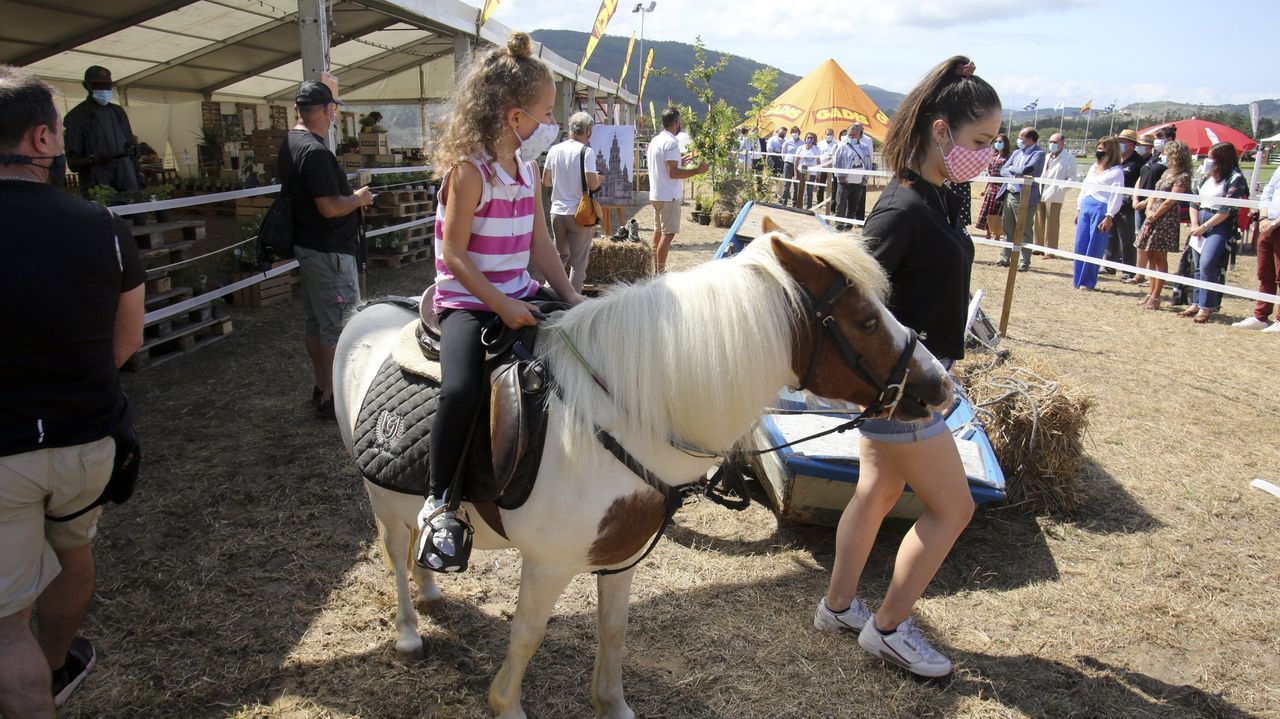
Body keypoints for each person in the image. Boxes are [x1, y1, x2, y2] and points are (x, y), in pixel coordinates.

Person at [813, 55, 1000, 678]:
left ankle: (839, 606)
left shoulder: (941, 198)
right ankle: (888, 628)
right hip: (902, 388)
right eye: (981, 142)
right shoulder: (901, 210)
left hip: (913, 378)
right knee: (954, 509)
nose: (988, 156)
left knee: (878, 490)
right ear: (941, 130)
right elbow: (854, 301)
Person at [0, 64, 145, 715]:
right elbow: (126, 342)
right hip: (89, 440)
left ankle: (31, 681)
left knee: (6, 624)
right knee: (73, 553)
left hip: (5, 452)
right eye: (59, 130)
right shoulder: (104, 226)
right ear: (39, 140)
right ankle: (55, 665)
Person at [415, 32, 588, 573]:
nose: (550, 123)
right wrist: (503, 306)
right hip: (468, 300)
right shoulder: (469, 171)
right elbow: (455, 255)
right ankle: (438, 500)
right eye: (545, 112)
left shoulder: (526, 170)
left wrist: (571, 296)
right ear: (515, 117)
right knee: (462, 389)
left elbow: (540, 244)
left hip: (517, 292)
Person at [280, 80, 374, 419]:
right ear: (326, 110)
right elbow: (330, 207)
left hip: (309, 246)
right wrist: (358, 199)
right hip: (328, 250)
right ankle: (337, 395)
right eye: (332, 108)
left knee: (316, 323)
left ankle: (322, 386)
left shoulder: (291, 142)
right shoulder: (315, 152)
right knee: (340, 326)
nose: (333, 114)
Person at [1180, 142, 1249, 324]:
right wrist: (1195, 224)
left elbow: (1227, 208)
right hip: (1199, 221)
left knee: (1208, 264)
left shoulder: (1235, 178)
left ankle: (1206, 306)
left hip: (1219, 224)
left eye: (1211, 157)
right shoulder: (1206, 177)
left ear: (1222, 159)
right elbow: (1194, 201)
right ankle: (1195, 302)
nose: (1208, 161)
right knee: (1197, 265)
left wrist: (1204, 227)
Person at [542, 111, 601, 292]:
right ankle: (572, 305)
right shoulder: (586, 151)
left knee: (560, 256)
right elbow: (592, 183)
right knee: (578, 262)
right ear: (588, 130)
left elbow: (546, 181)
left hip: (557, 212)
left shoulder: (554, 149)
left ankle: (549, 295)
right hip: (578, 213)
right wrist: (601, 179)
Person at [647, 107, 708, 273]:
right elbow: (672, 172)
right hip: (668, 196)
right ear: (676, 122)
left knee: (659, 233)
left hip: (657, 194)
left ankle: (655, 269)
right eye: (679, 122)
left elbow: (665, 163)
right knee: (668, 235)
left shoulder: (655, 140)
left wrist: (682, 159)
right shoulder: (672, 142)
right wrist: (697, 170)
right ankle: (660, 273)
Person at [63, 66, 140, 196]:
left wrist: (139, 174)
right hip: (98, 187)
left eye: (107, 85)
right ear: (86, 86)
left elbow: (132, 148)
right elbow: (73, 164)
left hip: (128, 181)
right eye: (98, 85)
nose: (104, 90)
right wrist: (94, 159)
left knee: (137, 214)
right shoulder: (76, 117)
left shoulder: (118, 112)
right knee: (105, 215)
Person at [1135, 140, 1192, 310]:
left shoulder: (1183, 176)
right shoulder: (1166, 172)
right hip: (1152, 215)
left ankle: (1156, 295)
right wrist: (1148, 211)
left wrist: (1155, 214)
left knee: (1160, 257)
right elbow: (1155, 192)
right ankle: (1150, 292)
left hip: (1165, 220)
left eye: (1167, 153)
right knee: (1150, 255)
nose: (1163, 156)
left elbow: (1170, 201)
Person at [1072, 137, 1126, 290]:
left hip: (1101, 208)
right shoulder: (1093, 168)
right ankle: (1078, 278)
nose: (1099, 152)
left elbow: (1117, 195)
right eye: (1098, 149)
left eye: (1103, 150)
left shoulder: (1116, 171)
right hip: (1086, 206)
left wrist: (1110, 215)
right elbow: (1085, 187)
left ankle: (1088, 281)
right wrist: (1079, 207)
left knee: (1094, 245)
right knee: (1080, 243)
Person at [1233, 167, 1280, 331]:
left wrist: (1275, 223)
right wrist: (1264, 217)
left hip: (1275, 225)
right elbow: (1268, 192)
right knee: (1265, 273)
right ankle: (1261, 316)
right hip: (1268, 225)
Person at [996, 127, 1046, 270]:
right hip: (1010, 195)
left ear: (1030, 139)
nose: (1019, 140)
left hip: (1025, 197)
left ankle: (1024, 261)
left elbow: (1027, 170)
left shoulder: (1039, 154)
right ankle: (1004, 257)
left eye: (1021, 137)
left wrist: (1013, 169)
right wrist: (1013, 171)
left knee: (1024, 229)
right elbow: (1003, 169)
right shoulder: (1017, 152)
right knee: (1008, 228)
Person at [1128, 132, 1167, 285]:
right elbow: (1140, 178)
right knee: (1140, 238)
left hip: (1153, 206)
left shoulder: (1165, 162)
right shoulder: (1150, 160)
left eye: (1145, 145)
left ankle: (1151, 275)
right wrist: (1135, 197)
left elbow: (1161, 187)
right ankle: (1140, 273)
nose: (1141, 148)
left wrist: (1146, 202)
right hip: (1140, 203)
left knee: (1151, 242)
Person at [1034, 132, 1079, 258]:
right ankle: (1038, 246)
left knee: (1052, 223)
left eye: (1055, 142)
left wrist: (1059, 189)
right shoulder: (1047, 156)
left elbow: (1072, 179)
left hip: (1054, 195)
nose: (1052, 144)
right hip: (1041, 192)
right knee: (1038, 220)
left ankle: (1050, 250)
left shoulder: (1069, 158)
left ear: (1062, 144)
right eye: (1050, 142)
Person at [1108, 128, 1145, 278]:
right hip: (1113, 201)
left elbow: (1140, 183)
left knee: (1127, 238)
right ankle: (1109, 264)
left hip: (1127, 205)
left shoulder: (1138, 162)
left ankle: (1128, 269)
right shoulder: (1115, 160)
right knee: (1110, 235)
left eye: (1123, 142)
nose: (1120, 144)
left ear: (1131, 144)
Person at [832, 123, 870, 228]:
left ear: (859, 135)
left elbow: (868, 164)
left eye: (853, 135)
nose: (851, 137)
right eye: (850, 134)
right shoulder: (842, 146)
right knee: (840, 205)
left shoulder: (865, 148)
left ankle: (848, 228)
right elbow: (836, 162)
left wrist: (865, 179)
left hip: (858, 183)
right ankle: (839, 227)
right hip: (845, 182)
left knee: (853, 207)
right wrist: (839, 176)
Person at [975, 133, 1010, 241]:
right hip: (992, 186)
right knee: (988, 211)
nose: (997, 144)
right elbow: (990, 175)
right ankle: (988, 232)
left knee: (998, 212)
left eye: (1000, 142)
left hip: (1001, 187)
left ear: (1005, 143)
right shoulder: (993, 156)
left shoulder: (1008, 157)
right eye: (996, 141)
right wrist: (985, 189)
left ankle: (997, 234)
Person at [844, 122, 875, 220]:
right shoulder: (848, 137)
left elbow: (869, 154)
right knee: (847, 198)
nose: (857, 128)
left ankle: (859, 218)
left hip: (862, 170)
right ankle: (847, 218)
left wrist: (867, 174)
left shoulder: (867, 140)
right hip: (849, 171)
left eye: (859, 127)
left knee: (861, 197)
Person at [792, 131, 823, 209]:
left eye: (811, 138)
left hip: (812, 172)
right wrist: (795, 172)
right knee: (799, 189)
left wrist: (818, 173)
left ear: (814, 140)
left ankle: (809, 207)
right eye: (808, 137)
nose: (809, 139)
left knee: (810, 190)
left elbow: (818, 161)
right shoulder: (800, 148)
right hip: (801, 171)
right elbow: (796, 160)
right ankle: (797, 205)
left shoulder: (817, 149)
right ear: (805, 138)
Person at [780, 125, 801, 205]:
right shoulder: (787, 142)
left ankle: (794, 203)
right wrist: (786, 160)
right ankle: (784, 202)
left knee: (796, 185)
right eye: (793, 132)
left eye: (796, 132)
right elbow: (783, 153)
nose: (794, 134)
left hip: (798, 166)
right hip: (788, 164)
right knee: (787, 184)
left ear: (799, 133)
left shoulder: (802, 143)